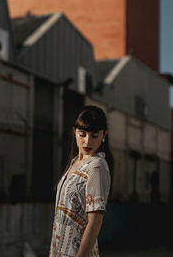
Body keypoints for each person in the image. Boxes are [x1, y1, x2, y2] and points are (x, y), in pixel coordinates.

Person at [49, 105, 114, 257]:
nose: (87, 142)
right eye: (82, 134)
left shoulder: (96, 166)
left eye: (94, 136)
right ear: (75, 132)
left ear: (104, 135)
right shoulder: (74, 163)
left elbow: (95, 221)